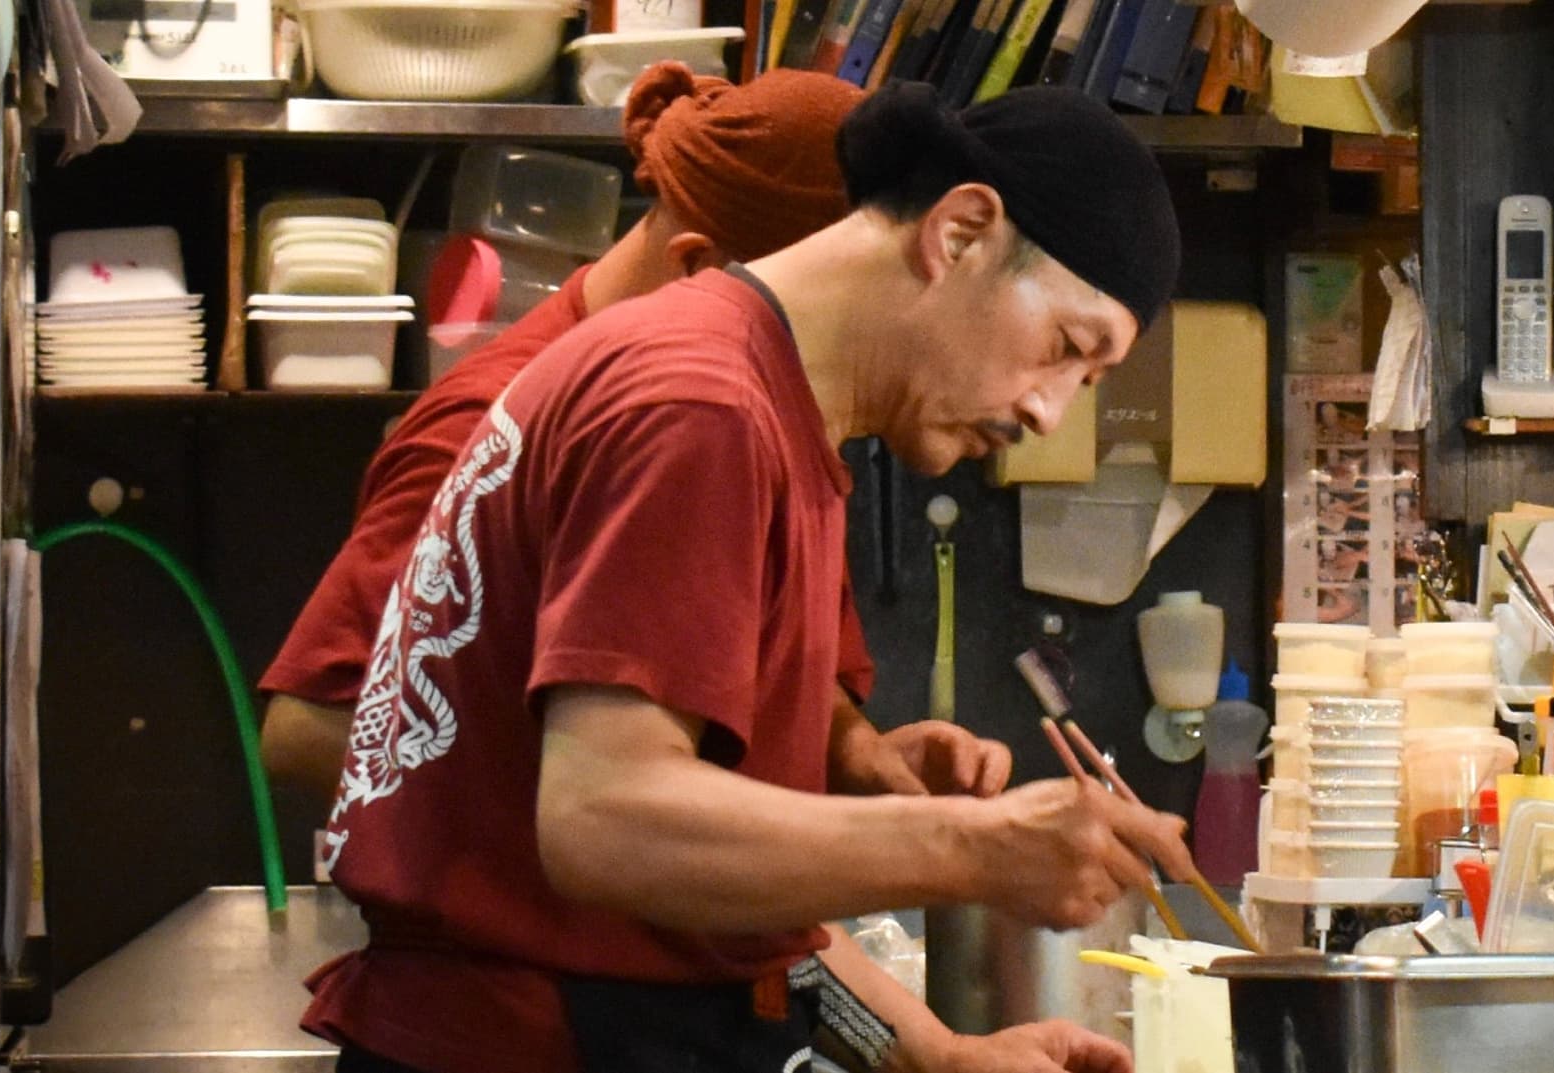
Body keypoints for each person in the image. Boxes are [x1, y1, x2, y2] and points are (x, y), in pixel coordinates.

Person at [290, 80, 1188, 1073]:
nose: (1052, 412)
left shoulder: (757, 399)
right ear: (962, 230)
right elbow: (606, 821)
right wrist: (976, 847)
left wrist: (933, 1053)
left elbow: (710, 885)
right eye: (1068, 348)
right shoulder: (700, 404)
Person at [260, 64, 1002, 809]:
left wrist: (853, 753)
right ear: (700, 270)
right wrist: (612, 810)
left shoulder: (778, 413)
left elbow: (771, 671)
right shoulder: (497, 424)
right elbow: (312, 729)